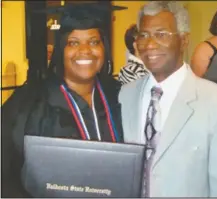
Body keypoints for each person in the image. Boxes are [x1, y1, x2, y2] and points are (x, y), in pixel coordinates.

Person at [2, 3, 126, 197]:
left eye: (94, 42)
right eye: (73, 42)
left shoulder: (121, 97)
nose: (85, 50)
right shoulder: (29, 102)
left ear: (104, 48)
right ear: (61, 49)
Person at [119, 1, 217, 197]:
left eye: (161, 35)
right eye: (144, 35)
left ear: (184, 40)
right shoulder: (124, 95)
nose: (149, 44)